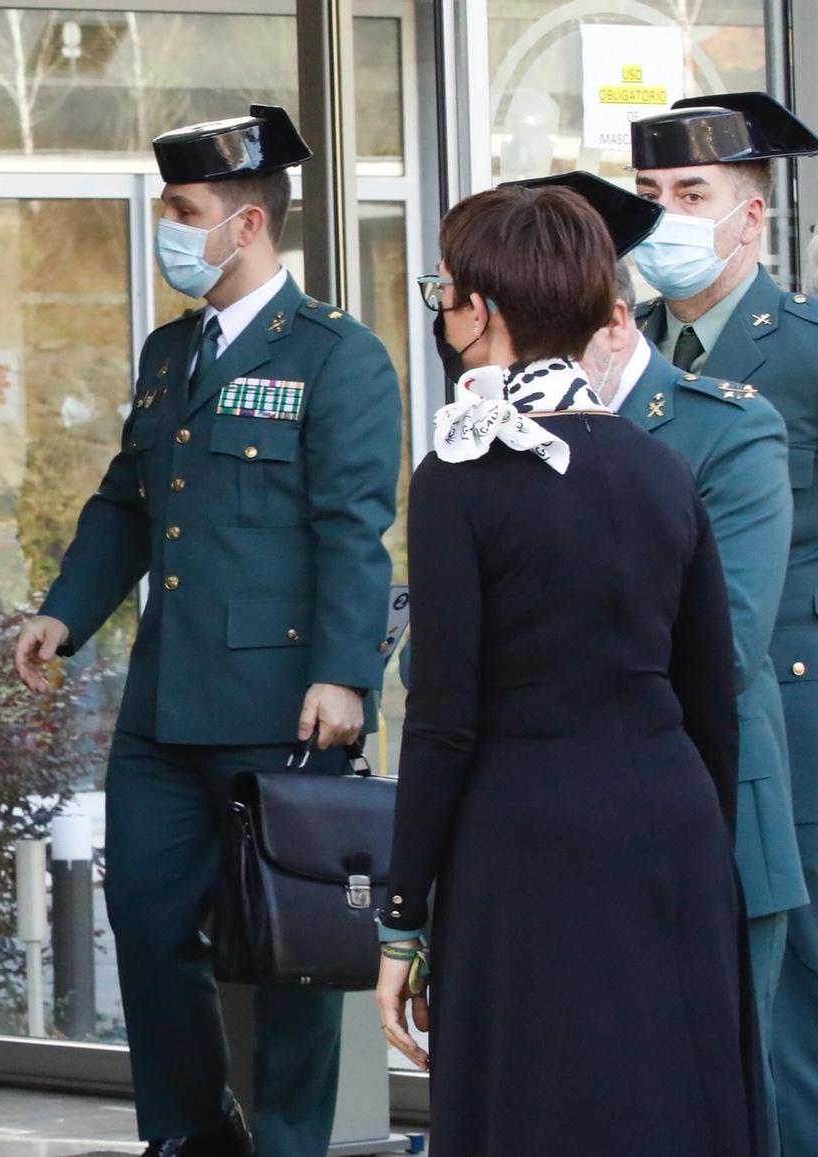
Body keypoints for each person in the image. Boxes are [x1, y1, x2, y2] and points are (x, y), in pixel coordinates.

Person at [13, 105, 402, 1156]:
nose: (166, 228)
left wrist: (341, 674)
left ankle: (284, 1141)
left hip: (280, 700)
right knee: (144, 919)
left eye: (183, 210)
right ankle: (189, 1132)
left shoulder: (337, 358)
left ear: (246, 226)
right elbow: (126, 502)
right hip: (163, 701)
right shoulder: (168, 350)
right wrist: (65, 609)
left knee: (291, 952)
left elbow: (353, 529)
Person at [378, 183, 762, 1155]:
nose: (439, 307)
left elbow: (442, 716)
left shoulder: (455, 474)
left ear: (483, 311)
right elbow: (708, 694)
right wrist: (699, 846)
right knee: (670, 1097)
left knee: (538, 1104)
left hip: (523, 837)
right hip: (669, 820)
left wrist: (398, 913)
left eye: (444, 288)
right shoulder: (659, 466)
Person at [536, 170, 803, 1132]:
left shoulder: (723, 426)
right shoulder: (508, 437)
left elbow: (723, 643)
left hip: (712, 812)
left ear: (611, 318)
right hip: (561, 833)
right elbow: (433, 655)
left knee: (727, 1106)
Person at [631, 93, 818, 1148]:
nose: (664, 217)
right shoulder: (620, 360)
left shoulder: (796, 354)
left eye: (689, 194)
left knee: (790, 1018)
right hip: (674, 731)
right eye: (649, 196)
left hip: (794, 719)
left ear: (749, 216)